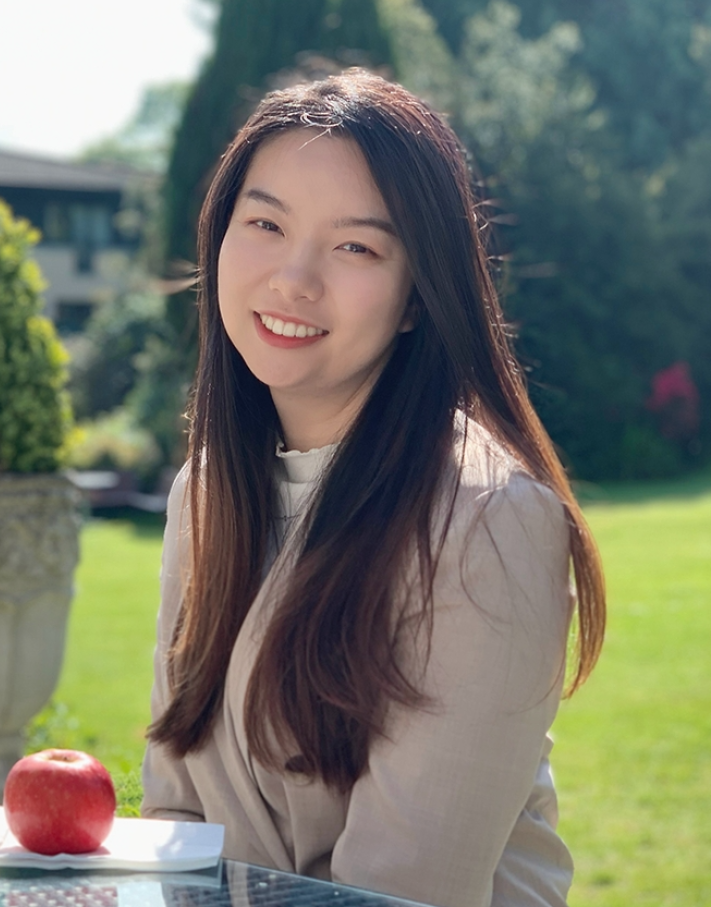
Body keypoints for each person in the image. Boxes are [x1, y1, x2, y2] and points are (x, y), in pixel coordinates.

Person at [141, 70, 605, 907]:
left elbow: (405, 890)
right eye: (266, 224)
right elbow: (174, 815)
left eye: (355, 247)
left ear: (416, 298)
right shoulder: (206, 495)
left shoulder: (487, 521)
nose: (293, 278)